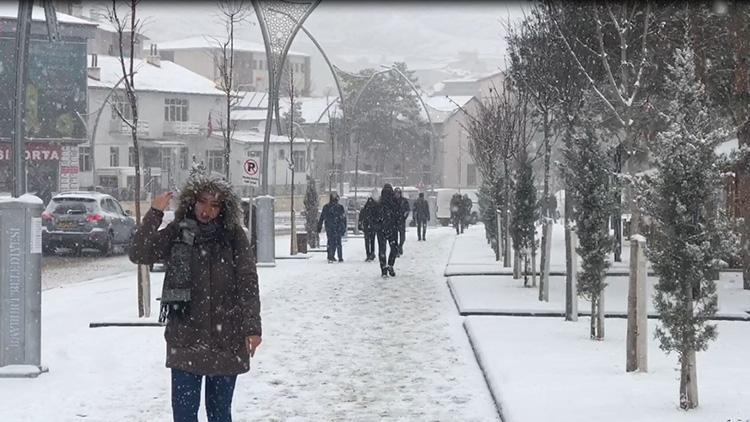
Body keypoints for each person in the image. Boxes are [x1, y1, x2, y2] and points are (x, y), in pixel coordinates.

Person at [129, 175, 262, 422]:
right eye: (202, 202)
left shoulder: (234, 237)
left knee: (220, 415)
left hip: (227, 340)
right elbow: (139, 253)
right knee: (184, 416)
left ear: (224, 209)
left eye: (214, 205)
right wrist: (154, 213)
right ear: (192, 202)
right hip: (186, 339)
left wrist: (252, 328)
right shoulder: (179, 232)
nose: (207, 210)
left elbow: (248, 284)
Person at [377, 183, 400, 277]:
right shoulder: (394, 202)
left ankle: (383, 269)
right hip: (392, 228)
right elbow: (399, 214)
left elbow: (373, 215)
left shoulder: (379, 202)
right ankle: (390, 264)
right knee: (393, 248)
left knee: (382, 249)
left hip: (381, 229)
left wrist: (377, 225)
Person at [317, 192, 346, 263]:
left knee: (330, 241)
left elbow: (322, 218)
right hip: (337, 227)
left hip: (330, 227)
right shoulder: (340, 207)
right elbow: (344, 219)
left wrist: (319, 226)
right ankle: (339, 257)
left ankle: (330, 255)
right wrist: (344, 227)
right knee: (338, 242)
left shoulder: (326, 207)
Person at [358, 197, 378, 261]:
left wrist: (360, 224)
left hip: (367, 227)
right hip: (371, 227)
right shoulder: (374, 210)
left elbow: (360, 218)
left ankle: (369, 254)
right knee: (372, 241)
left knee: (368, 241)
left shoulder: (364, 210)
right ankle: (371, 253)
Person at [394, 187, 410, 256]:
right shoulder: (392, 201)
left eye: (398, 193)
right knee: (394, 236)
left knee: (402, 236)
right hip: (394, 221)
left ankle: (400, 246)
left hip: (401, 220)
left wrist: (404, 216)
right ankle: (397, 249)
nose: (397, 195)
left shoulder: (404, 201)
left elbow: (407, 210)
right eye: (396, 193)